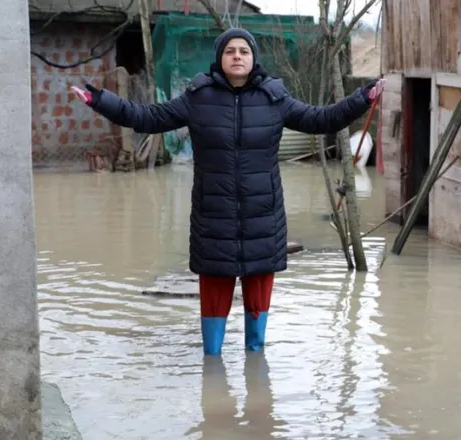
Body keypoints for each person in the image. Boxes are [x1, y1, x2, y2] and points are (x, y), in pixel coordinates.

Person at [71, 28, 384, 356]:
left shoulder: (273, 98)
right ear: (219, 58)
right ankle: (213, 375)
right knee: (213, 338)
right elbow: (146, 117)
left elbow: (323, 119)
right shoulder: (198, 97)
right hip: (213, 219)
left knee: (257, 332)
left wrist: (362, 98)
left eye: (244, 51)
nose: (237, 56)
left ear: (253, 59)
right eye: (230, 51)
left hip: (262, 218)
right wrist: (100, 100)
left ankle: (256, 377)